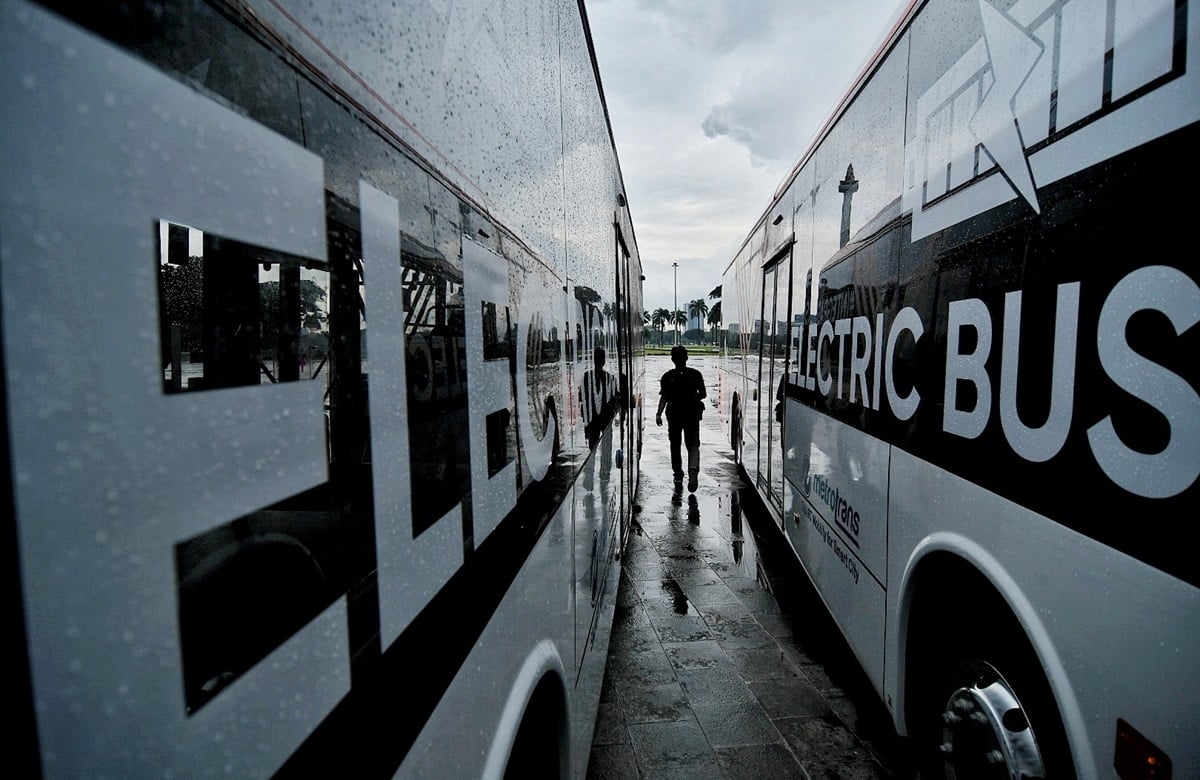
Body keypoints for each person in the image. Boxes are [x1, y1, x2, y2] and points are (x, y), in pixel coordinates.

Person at [656, 345, 706, 492]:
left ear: (673, 360)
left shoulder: (667, 377)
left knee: (675, 445)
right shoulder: (695, 374)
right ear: (686, 358)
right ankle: (693, 470)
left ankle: (678, 473)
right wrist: (693, 397)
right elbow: (703, 394)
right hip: (692, 413)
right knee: (693, 444)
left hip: (674, 414)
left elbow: (664, 398)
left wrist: (658, 414)